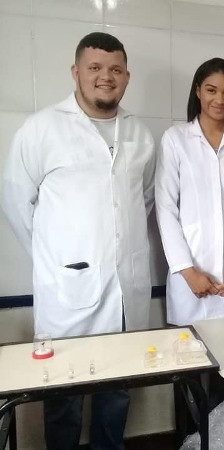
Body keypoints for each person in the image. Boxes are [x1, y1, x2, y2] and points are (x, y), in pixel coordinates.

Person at [1, 32, 155, 449]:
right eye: (95, 67)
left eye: (116, 69)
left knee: (118, 391)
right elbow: (15, 202)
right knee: (63, 397)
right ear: (76, 72)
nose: (106, 77)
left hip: (125, 295)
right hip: (66, 294)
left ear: (127, 76)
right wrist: (56, 259)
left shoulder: (140, 134)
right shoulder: (42, 129)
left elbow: (143, 201)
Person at [155, 57, 224, 325]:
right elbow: (165, 209)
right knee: (191, 347)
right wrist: (187, 271)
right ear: (197, 91)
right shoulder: (175, 139)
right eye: (211, 90)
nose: (220, 99)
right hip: (192, 277)